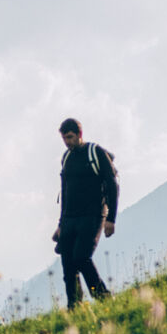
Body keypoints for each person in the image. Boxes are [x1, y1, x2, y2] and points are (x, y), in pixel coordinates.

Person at [52, 117, 119, 308]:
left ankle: (104, 298)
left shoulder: (95, 153)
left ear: (80, 134)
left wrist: (111, 218)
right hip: (69, 219)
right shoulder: (66, 158)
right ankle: (75, 307)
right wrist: (60, 225)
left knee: (81, 257)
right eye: (64, 138)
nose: (67, 142)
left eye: (71, 137)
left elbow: (112, 185)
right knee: (68, 266)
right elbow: (64, 193)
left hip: (93, 215)